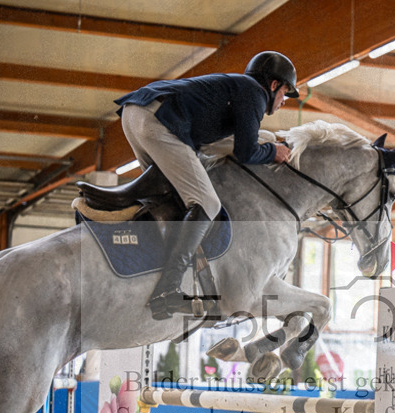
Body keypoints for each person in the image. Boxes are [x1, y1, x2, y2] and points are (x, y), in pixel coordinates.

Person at [114, 51, 299, 319]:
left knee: (169, 194)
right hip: (159, 118)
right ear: (273, 85)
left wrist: (269, 143)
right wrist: (274, 152)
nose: (283, 101)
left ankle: (142, 263)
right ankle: (167, 291)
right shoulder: (254, 94)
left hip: (136, 112)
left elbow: (221, 145)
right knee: (206, 203)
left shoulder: (236, 89)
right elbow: (246, 152)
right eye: (285, 93)